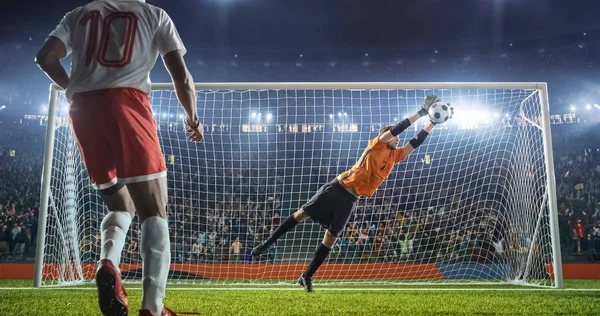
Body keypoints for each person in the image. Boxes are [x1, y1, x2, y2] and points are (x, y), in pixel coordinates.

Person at [35, 1, 203, 315]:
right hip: (128, 102)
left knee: (119, 203)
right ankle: (153, 308)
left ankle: (108, 263)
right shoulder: (154, 14)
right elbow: (181, 78)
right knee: (154, 210)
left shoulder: (78, 14)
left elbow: (45, 57)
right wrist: (193, 118)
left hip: (83, 111)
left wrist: (74, 89)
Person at [252, 95, 453, 292]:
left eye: (397, 138)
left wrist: (432, 122)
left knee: (330, 238)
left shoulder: (395, 156)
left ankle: (306, 276)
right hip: (336, 189)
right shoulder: (377, 144)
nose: (398, 138)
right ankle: (266, 244)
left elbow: (416, 142)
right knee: (301, 214)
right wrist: (421, 113)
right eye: (394, 136)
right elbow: (397, 128)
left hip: (351, 200)